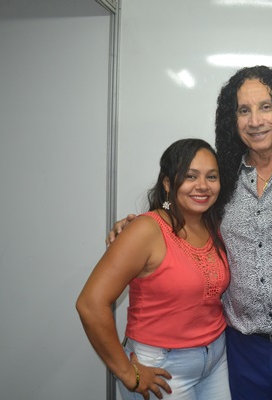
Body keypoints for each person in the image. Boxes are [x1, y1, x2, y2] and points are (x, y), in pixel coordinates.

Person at [110, 65, 272, 400]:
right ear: (232, 119)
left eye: (266, 107)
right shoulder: (220, 180)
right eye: (243, 110)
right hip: (241, 354)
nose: (255, 121)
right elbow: (182, 223)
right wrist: (137, 226)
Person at [78, 139, 231, 400]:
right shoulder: (146, 230)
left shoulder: (213, 225)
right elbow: (90, 304)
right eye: (190, 176)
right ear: (168, 183)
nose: (203, 185)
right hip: (162, 368)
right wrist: (128, 374)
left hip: (216, 359)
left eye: (211, 177)